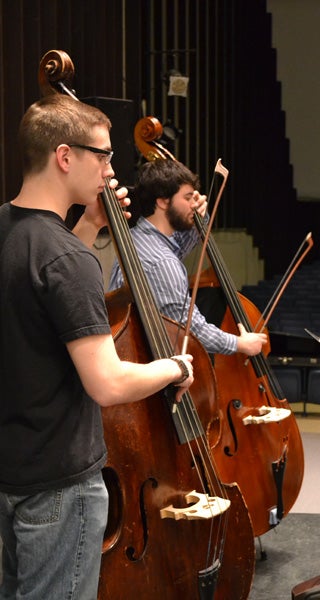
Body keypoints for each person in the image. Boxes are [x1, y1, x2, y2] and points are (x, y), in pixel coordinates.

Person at [0, 94, 194, 600]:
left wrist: (88, 227)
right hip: (60, 483)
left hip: (12, 470)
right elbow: (107, 383)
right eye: (103, 155)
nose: (112, 170)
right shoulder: (64, 258)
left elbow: (43, 299)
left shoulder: (10, 230)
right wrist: (174, 367)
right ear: (66, 157)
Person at [109, 158, 267, 356]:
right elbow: (190, 330)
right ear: (162, 201)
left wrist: (202, 218)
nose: (195, 203)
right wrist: (240, 344)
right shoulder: (162, 263)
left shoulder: (137, 238)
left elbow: (179, 245)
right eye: (188, 197)